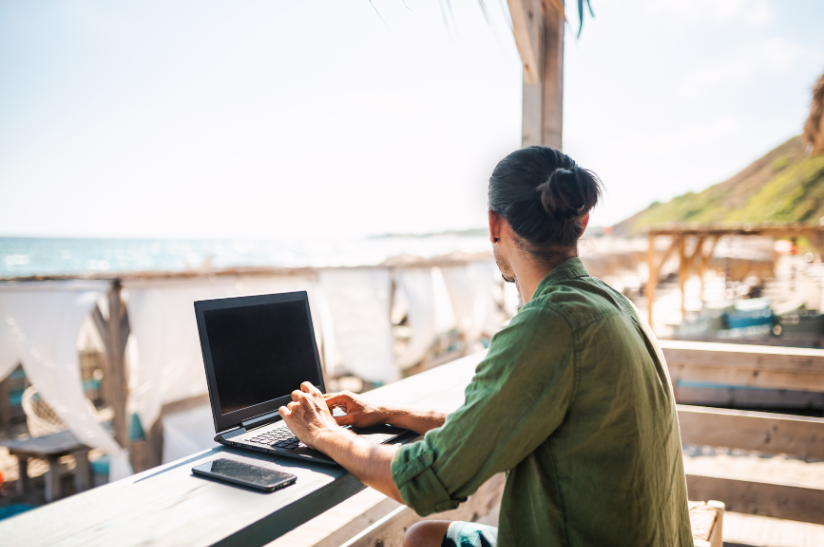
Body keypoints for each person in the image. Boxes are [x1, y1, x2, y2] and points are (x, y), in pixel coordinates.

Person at [279, 146, 693, 546]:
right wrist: (386, 413)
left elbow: (428, 480)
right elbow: (488, 426)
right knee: (425, 538)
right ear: (582, 222)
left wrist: (322, 433)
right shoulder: (612, 304)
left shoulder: (548, 325)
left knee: (422, 529)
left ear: (495, 224)